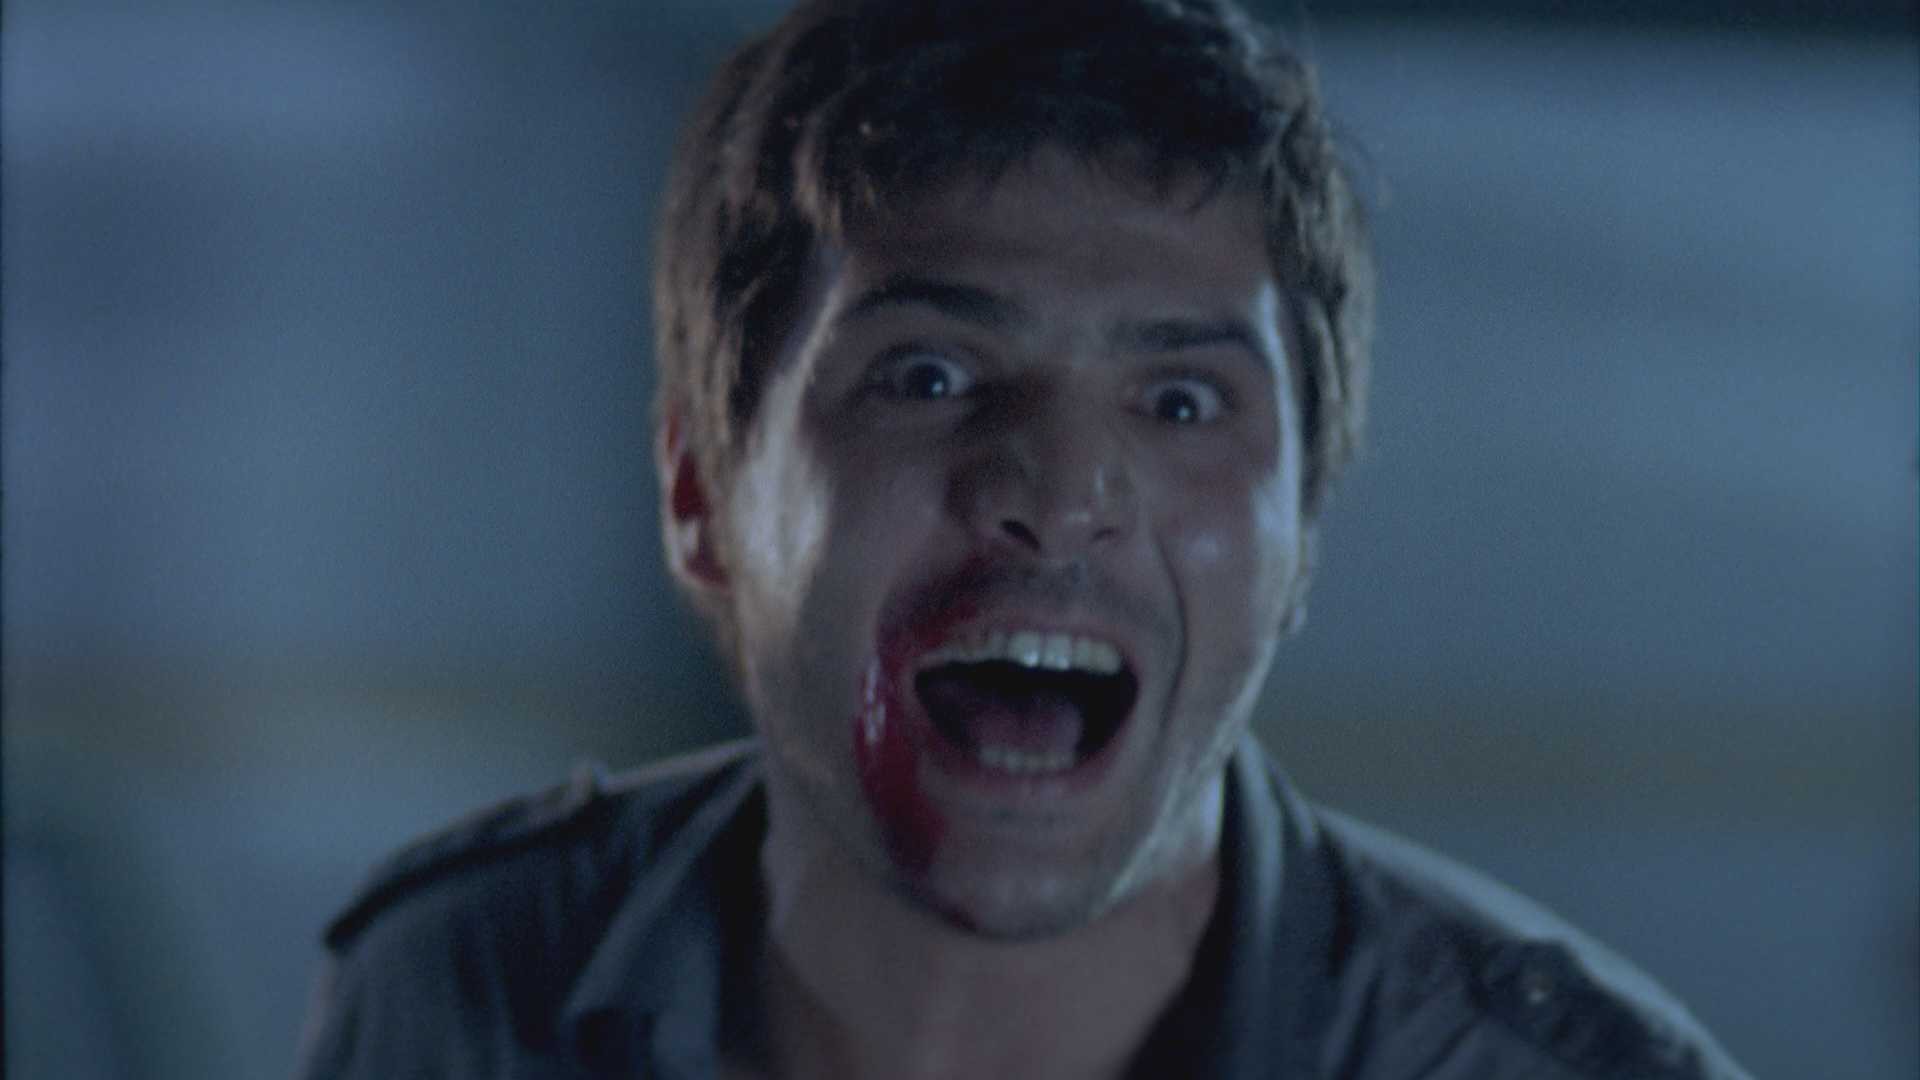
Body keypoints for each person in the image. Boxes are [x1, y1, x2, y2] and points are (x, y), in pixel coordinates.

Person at [295, 1, 1753, 1076]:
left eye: (1181, 401)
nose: (1058, 495)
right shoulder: (455, 994)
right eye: (929, 376)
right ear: (698, 496)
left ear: (1303, 528)